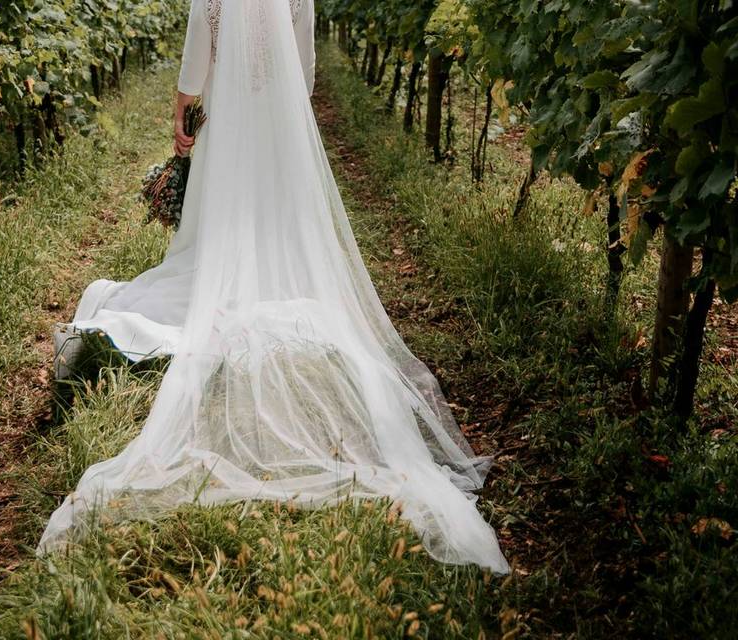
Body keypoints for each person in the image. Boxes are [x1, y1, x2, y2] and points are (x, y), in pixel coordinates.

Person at [41, 0, 510, 574]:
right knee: (281, 212)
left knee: (226, 211)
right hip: (278, 111)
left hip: (229, 113)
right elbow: (305, 64)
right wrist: (290, 106)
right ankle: (270, 265)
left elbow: (198, 51)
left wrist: (183, 110)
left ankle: (232, 267)